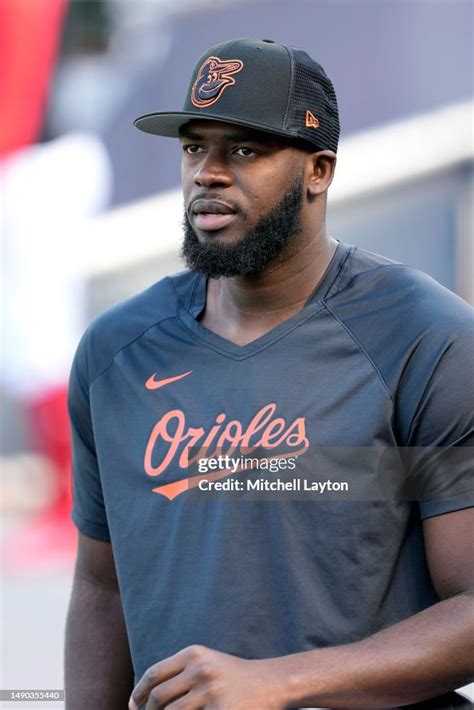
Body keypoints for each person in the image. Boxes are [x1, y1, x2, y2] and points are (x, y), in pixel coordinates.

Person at [65, 39, 473, 710]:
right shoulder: (117, 354)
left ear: (318, 171)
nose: (209, 174)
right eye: (195, 148)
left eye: (244, 151)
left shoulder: (424, 340)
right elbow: (101, 588)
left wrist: (282, 682)